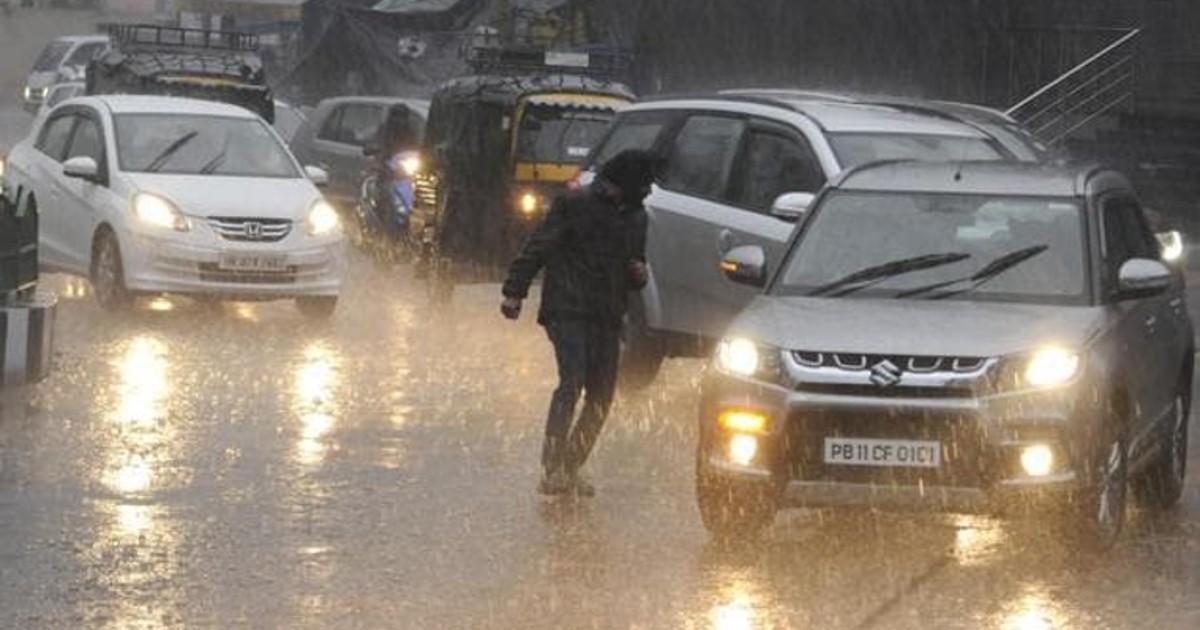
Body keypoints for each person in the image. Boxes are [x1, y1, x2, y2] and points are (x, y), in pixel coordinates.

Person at [500, 150, 658, 496]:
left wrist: (639, 275)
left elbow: (637, 269)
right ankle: (552, 468)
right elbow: (538, 247)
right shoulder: (574, 205)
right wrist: (515, 292)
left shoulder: (637, 218)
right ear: (627, 183)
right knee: (571, 381)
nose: (649, 191)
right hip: (567, 309)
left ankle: (571, 468)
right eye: (644, 184)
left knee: (601, 395)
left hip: (608, 315)